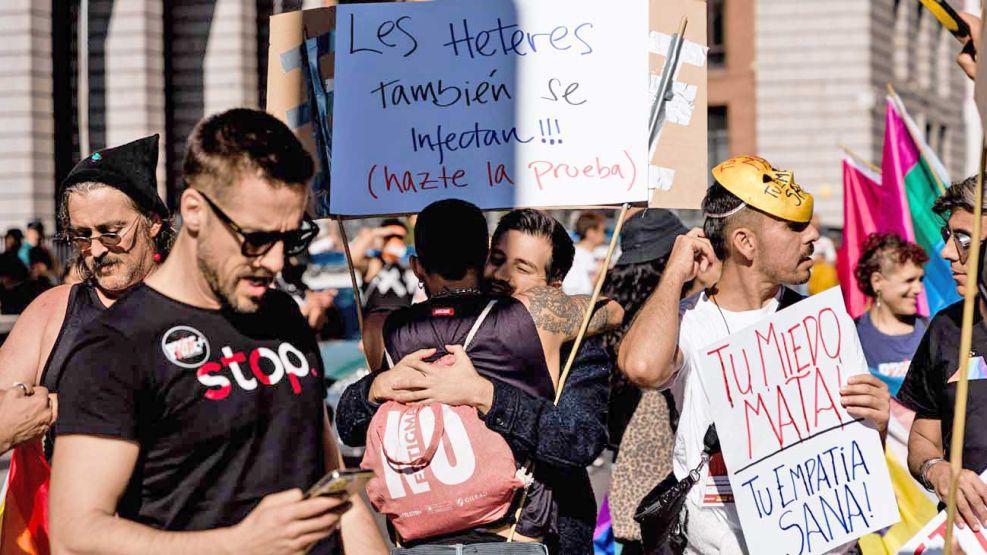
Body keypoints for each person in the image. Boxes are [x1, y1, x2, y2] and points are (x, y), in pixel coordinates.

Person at [48, 109, 385, 554]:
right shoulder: (116, 346)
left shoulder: (281, 313)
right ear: (194, 211)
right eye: (255, 238)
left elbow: (337, 491)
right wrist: (237, 545)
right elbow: (76, 535)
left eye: (291, 238)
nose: (275, 262)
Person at [619, 155, 891, 554]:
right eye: (795, 225)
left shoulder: (822, 324)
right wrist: (675, 273)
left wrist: (876, 423)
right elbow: (641, 367)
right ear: (745, 242)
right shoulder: (692, 323)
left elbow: (853, 457)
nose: (813, 234)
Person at [339, 207, 618, 554]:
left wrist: (485, 395)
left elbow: (581, 441)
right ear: (484, 254)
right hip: (426, 540)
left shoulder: (569, 343)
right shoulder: (403, 329)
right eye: (498, 259)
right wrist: (374, 388)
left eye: (523, 268)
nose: (502, 275)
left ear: (554, 286)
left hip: (535, 539)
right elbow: (348, 426)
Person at [900, 174, 987, 533]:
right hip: (966, 537)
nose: (948, 252)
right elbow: (922, 441)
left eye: (963, 240)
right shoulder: (945, 328)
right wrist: (937, 469)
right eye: (947, 237)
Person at [563, 211, 606, 296]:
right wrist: (598, 274)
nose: (604, 234)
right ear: (591, 233)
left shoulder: (594, 255)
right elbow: (575, 292)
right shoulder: (575, 257)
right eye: (602, 230)